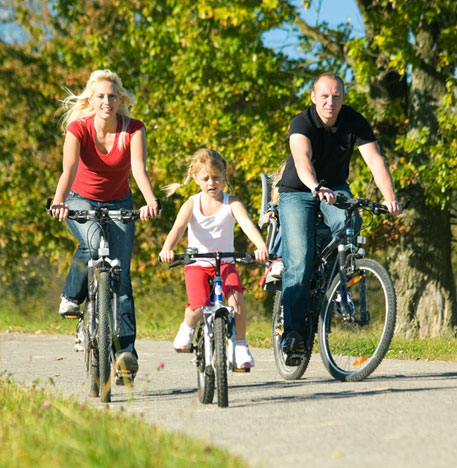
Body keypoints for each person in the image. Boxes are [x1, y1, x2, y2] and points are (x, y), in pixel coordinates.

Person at [277, 72, 402, 359]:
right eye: (324, 96)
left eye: (336, 96)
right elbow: (301, 158)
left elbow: (374, 160)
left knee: (351, 223)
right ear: (313, 97)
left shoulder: (354, 121)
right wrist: (315, 186)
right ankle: (293, 335)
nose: (329, 102)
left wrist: (390, 199)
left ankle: (336, 285)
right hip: (298, 191)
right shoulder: (302, 122)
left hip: (334, 187)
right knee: (299, 260)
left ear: (343, 98)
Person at [50, 69, 160, 382]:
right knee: (92, 243)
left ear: (120, 99)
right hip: (80, 200)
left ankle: (126, 355)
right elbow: (68, 169)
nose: (107, 101)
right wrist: (60, 202)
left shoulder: (133, 129)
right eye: (100, 96)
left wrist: (150, 201)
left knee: (121, 279)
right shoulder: (78, 129)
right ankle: (72, 295)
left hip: (120, 204)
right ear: (91, 99)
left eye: (112, 96)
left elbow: (138, 169)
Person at [159, 148, 268, 369]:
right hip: (197, 264)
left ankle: (239, 345)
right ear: (196, 179)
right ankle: (187, 328)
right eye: (206, 178)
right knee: (198, 307)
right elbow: (178, 228)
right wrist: (167, 248)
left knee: (236, 299)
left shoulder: (232, 202)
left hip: (225, 263)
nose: (212, 183)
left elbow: (246, 224)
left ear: (224, 177)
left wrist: (260, 246)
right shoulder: (191, 203)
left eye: (216, 178)